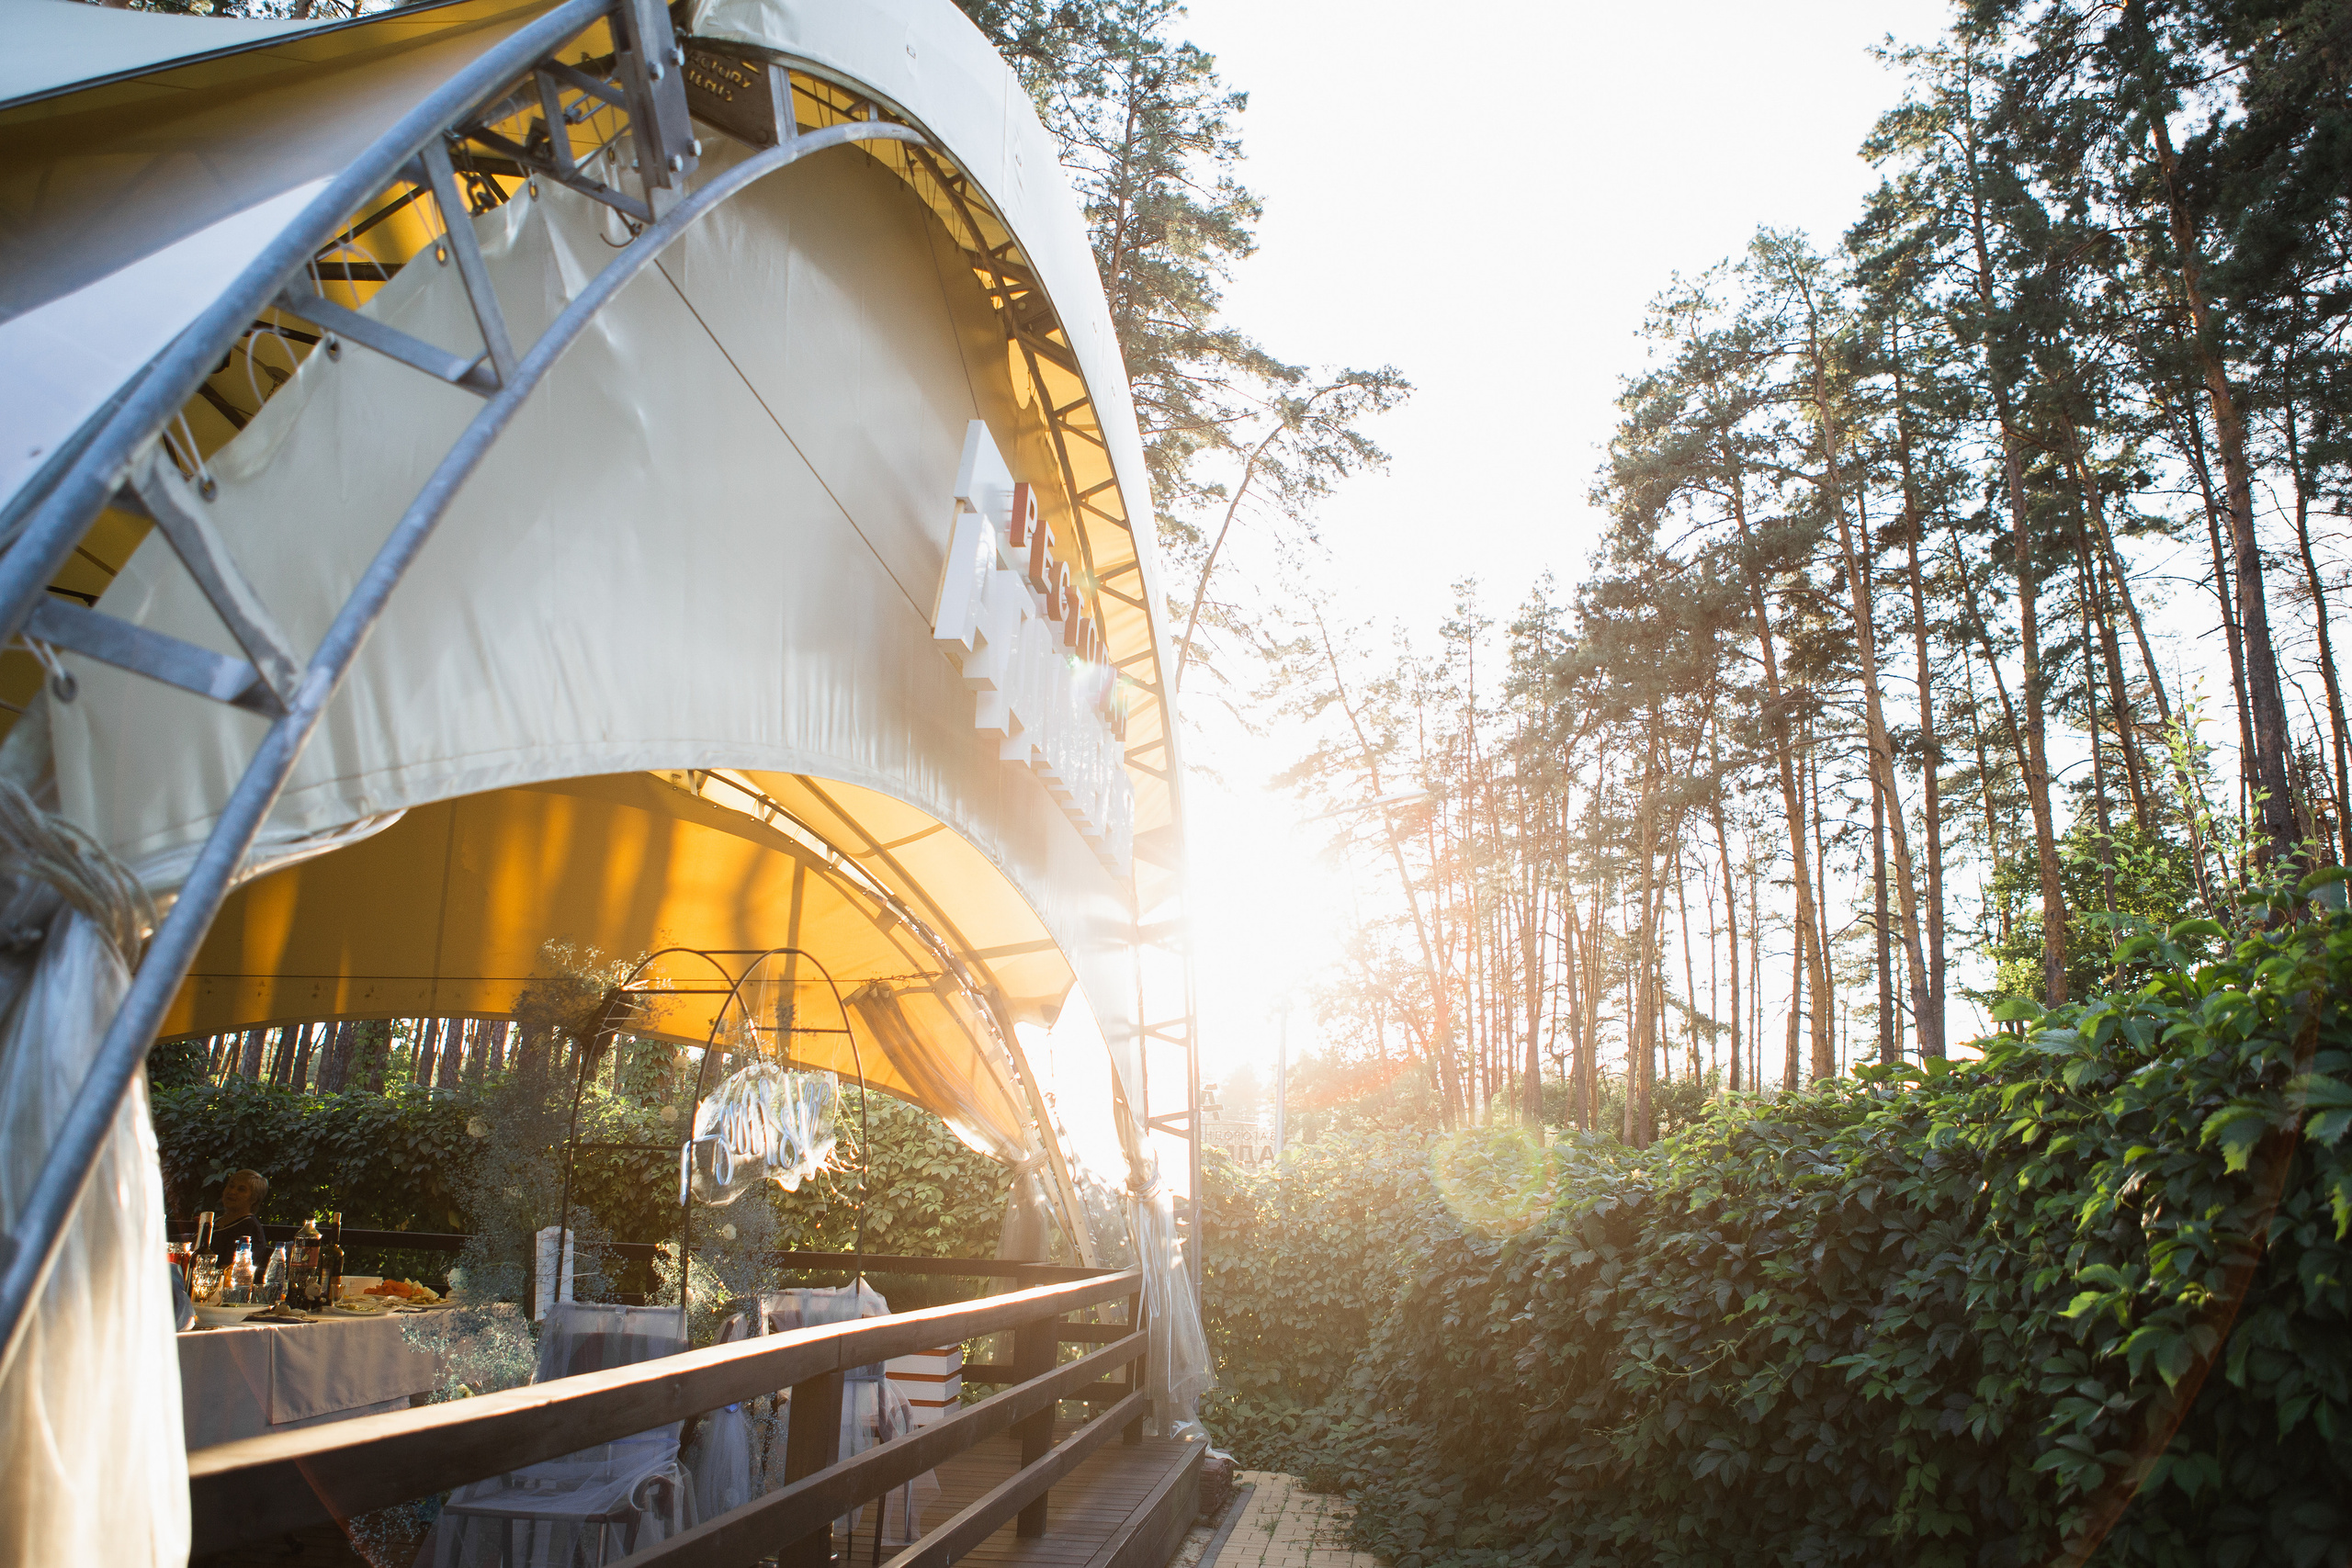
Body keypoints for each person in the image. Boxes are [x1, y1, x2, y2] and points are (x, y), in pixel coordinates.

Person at [204, 1168, 272, 1269]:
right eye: (231, 1186)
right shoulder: (216, 1221)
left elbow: (230, 1269)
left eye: (241, 1189)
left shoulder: (249, 1227)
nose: (232, 1191)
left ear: (254, 1199)